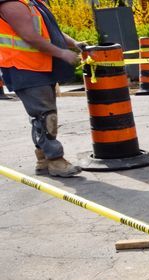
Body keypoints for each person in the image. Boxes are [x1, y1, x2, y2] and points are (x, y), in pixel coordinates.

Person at [0, 0, 85, 177]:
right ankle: (56, 160)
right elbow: (30, 36)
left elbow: (51, 31)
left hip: (40, 66)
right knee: (46, 116)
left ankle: (44, 159)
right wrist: (62, 53)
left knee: (42, 116)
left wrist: (73, 43)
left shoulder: (32, 2)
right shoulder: (11, 4)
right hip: (24, 67)